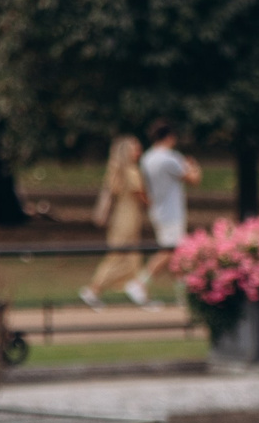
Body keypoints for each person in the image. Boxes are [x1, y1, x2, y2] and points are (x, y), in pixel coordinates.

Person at [81, 135, 150, 309]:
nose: (138, 152)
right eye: (135, 148)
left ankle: (136, 289)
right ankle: (94, 288)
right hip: (128, 217)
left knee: (130, 255)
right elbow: (140, 194)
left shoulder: (116, 171)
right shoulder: (131, 171)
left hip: (119, 217)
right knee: (120, 255)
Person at [141, 123, 200, 295]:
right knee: (170, 250)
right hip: (172, 211)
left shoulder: (147, 158)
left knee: (177, 254)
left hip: (157, 210)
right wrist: (193, 165)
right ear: (169, 137)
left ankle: (182, 292)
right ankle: (140, 283)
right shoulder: (170, 158)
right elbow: (194, 179)